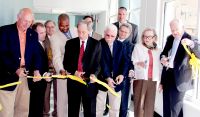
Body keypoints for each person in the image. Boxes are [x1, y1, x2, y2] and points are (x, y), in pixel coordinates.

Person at [0, 8, 41, 117]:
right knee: (6, 113)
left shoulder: (33, 34)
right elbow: (2, 54)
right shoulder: (4, 31)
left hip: (25, 78)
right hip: (8, 77)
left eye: (30, 21)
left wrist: (37, 70)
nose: (27, 24)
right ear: (18, 18)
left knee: (22, 111)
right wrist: (15, 69)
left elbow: (36, 54)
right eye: (24, 20)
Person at [160, 19, 200, 117]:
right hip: (168, 75)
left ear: (182, 27)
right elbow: (164, 53)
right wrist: (163, 58)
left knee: (175, 109)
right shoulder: (170, 38)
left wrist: (191, 44)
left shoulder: (191, 38)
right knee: (166, 106)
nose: (174, 32)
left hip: (181, 79)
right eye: (172, 30)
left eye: (176, 29)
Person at [63, 20, 101, 117]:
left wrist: (94, 74)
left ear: (88, 31)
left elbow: (98, 63)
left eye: (83, 32)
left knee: (90, 111)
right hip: (73, 82)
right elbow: (66, 63)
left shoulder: (96, 44)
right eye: (78, 31)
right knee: (73, 110)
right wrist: (74, 72)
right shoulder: (70, 43)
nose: (80, 34)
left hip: (89, 83)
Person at [96, 24, 128, 117]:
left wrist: (122, 75)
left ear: (116, 35)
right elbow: (101, 63)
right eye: (107, 35)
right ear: (104, 33)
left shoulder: (121, 45)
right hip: (102, 81)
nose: (109, 38)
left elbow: (125, 62)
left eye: (112, 36)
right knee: (99, 108)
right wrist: (108, 78)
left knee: (114, 108)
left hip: (116, 82)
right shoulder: (99, 44)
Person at [50, 13, 77, 117]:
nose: (65, 28)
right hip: (63, 70)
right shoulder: (54, 37)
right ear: (58, 23)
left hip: (76, 70)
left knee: (74, 98)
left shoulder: (75, 30)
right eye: (62, 25)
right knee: (62, 99)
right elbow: (56, 56)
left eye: (67, 25)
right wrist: (60, 69)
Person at [131, 28, 161, 117]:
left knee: (150, 104)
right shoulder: (138, 47)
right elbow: (133, 61)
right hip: (141, 78)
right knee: (139, 104)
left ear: (154, 38)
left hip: (153, 79)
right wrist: (138, 63)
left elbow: (160, 65)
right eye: (144, 36)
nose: (146, 39)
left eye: (149, 37)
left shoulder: (158, 49)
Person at [29, 22, 51, 117]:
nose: (44, 34)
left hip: (41, 82)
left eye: (44, 32)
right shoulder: (32, 45)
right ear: (34, 33)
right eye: (41, 33)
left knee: (38, 107)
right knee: (35, 108)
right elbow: (31, 64)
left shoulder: (42, 43)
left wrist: (46, 73)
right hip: (35, 83)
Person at [117, 23, 134, 117]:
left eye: (125, 32)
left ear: (129, 34)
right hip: (111, 76)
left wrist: (124, 75)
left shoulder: (132, 46)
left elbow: (130, 62)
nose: (123, 33)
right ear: (118, 30)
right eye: (121, 31)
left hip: (124, 78)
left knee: (123, 103)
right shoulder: (112, 42)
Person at [43, 20, 57, 117]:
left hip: (58, 70)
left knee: (57, 93)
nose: (50, 29)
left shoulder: (59, 39)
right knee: (45, 93)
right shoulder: (42, 39)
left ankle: (56, 113)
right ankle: (45, 113)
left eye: (52, 27)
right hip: (46, 70)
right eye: (48, 27)